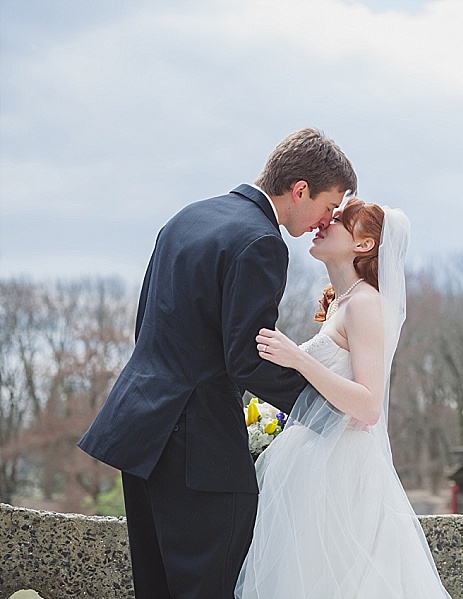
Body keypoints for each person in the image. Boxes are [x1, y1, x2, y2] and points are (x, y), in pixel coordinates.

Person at [77, 128, 357, 598]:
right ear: (300, 190)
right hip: (197, 449)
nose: (325, 219)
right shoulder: (262, 243)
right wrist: (326, 411)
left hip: (140, 430)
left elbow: (150, 322)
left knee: (156, 586)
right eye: (329, 205)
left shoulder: (188, 217)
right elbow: (248, 359)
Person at [235, 199, 452, 598]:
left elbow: (369, 406)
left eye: (337, 221)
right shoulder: (341, 302)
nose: (323, 223)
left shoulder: (366, 303)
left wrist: (298, 359)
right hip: (316, 458)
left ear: (364, 245)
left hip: (343, 470)